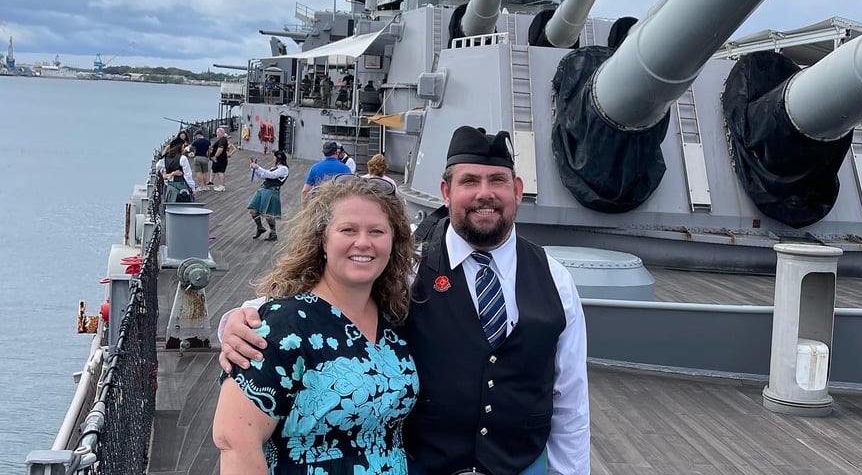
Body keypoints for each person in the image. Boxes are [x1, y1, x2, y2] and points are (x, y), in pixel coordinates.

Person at [220, 126, 591, 475]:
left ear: (517, 190)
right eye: (469, 181)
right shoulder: (406, 265)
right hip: (425, 465)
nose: (485, 193)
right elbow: (316, 298)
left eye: (497, 180)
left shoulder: (557, 280)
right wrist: (238, 320)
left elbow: (570, 398)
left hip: (520, 465)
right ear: (446, 192)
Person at [212, 177, 419, 474]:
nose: (363, 242)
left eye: (377, 231)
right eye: (348, 230)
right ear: (323, 239)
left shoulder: (393, 318)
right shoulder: (285, 326)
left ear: (393, 241)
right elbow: (235, 439)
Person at [247, 150, 290, 241]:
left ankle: (273, 233)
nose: (273, 158)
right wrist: (253, 168)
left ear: (278, 158)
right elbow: (263, 175)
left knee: (268, 214)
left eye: (274, 157)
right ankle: (260, 228)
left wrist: (257, 166)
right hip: (263, 190)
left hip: (272, 191)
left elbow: (271, 175)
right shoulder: (275, 167)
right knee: (252, 209)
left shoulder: (283, 169)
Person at [301, 140, 352, 207]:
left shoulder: (315, 168)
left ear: (324, 153)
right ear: (336, 152)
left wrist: (304, 208)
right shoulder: (345, 169)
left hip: (319, 206)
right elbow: (351, 190)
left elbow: (305, 191)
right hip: (338, 206)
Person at [210, 126, 230, 191]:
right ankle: (212, 182)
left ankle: (222, 186)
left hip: (220, 159)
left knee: (220, 172)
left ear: (221, 132)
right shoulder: (222, 139)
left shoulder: (223, 140)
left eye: (217, 132)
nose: (216, 134)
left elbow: (220, 148)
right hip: (219, 159)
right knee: (216, 171)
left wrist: (215, 156)